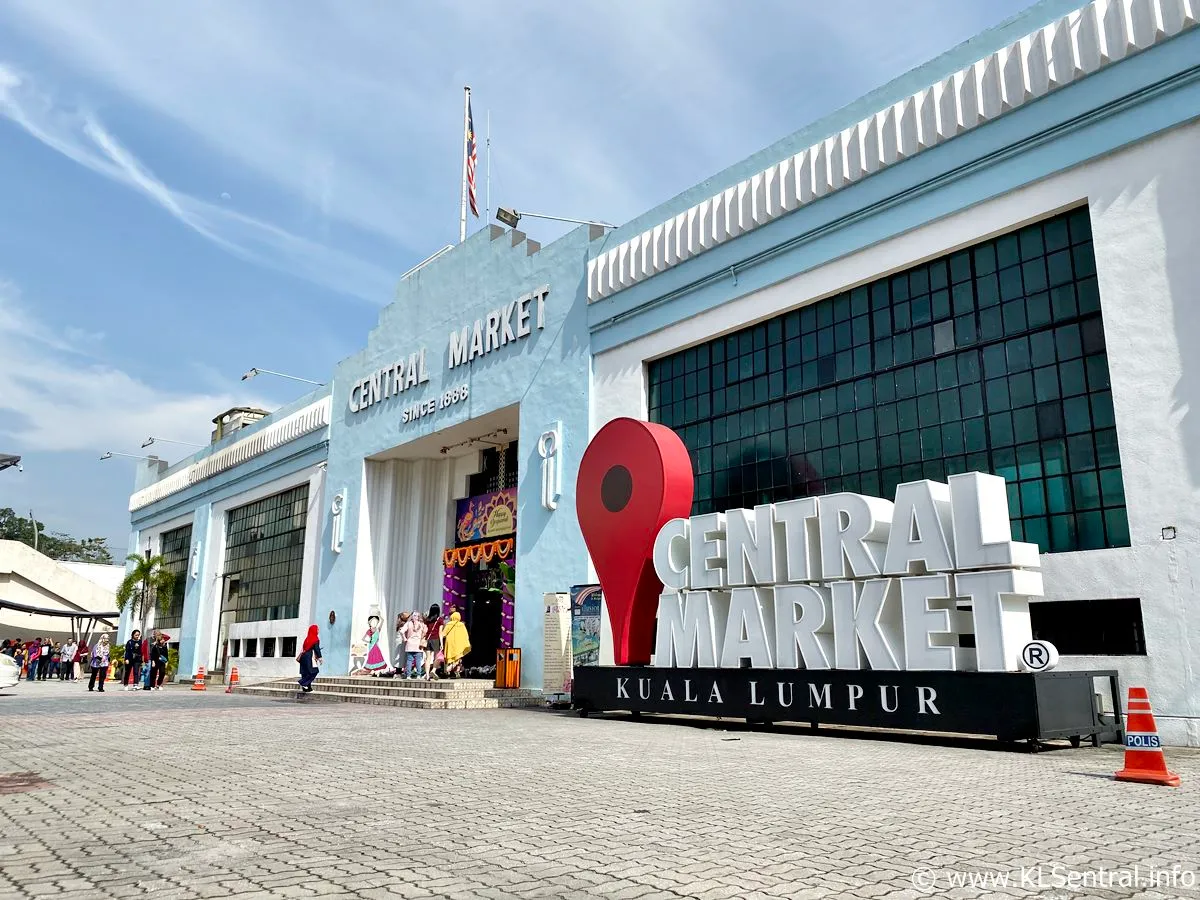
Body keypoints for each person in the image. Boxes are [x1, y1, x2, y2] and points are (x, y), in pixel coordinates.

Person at [441, 611, 471, 678]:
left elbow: (443, 634)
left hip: (450, 643)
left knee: (450, 658)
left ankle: (448, 671)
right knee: (458, 657)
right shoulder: (461, 625)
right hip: (459, 644)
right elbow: (466, 635)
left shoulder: (449, 624)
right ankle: (455, 671)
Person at [399, 612, 427, 679]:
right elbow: (426, 631)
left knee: (409, 660)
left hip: (410, 644)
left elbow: (401, 631)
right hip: (418, 644)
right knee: (418, 661)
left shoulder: (408, 624)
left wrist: (404, 638)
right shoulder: (421, 624)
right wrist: (422, 637)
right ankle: (418, 675)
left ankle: (408, 675)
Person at [296, 625, 322, 693]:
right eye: (317, 629)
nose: (318, 631)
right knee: (314, 671)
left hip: (303, 657)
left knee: (305, 673)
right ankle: (303, 683)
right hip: (309, 657)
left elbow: (305, 648)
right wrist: (320, 657)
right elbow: (317, 649)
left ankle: (308, 688)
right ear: (314, 630)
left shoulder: (307, 639)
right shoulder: (315, 638)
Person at [423, 605, 444, 681]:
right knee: (438, 657)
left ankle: (427, 675)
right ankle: (433, 670)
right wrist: (441, 643)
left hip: (428, 639)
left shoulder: (428, 619)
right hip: (435, 639)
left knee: (428, 658)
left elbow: (425, 630)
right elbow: (440, 632)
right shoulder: (440, 620)